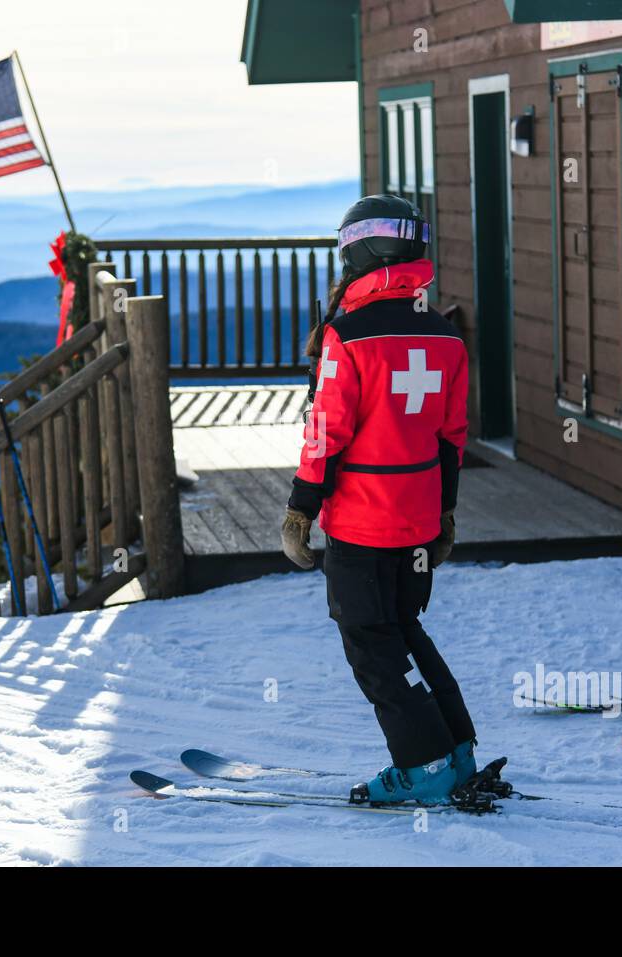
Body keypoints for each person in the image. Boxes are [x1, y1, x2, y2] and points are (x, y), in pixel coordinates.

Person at [279, 194, 478, 804]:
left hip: (363, 524)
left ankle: (424, 767)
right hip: (417, 519)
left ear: (360, 254)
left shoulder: (348, 336)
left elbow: (327, 434)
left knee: (372, 646)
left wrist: (299, 510)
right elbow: (451, 437)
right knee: (404, 630)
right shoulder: (444, 334)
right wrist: (444, 513)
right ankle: (456, 749)